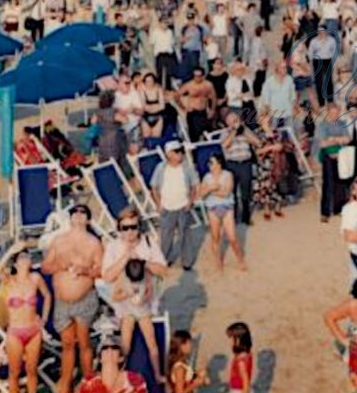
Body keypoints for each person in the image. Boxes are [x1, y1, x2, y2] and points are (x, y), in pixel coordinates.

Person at [41, 204, 104, 393]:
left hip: (84, 299)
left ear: (88, 219)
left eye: (82, 213)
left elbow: (101, 270)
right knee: (67, 343)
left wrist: (84, 271)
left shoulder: (94, 243)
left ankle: (88, 383)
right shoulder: (58, 241)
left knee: (84, 341)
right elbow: (45, 267)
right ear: (70, 218)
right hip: (62, 302)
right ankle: (66, 383)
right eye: (74, 213)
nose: (77, 216)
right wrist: (58, 265)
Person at [101, 210, 167, 380]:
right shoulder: (113, 246)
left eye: (133, 227)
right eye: (125, 228)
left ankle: (157, 373)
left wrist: (143, 263)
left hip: (147, 305)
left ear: (139, 227)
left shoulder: (148, 243)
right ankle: (121, 373)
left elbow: (163, 270)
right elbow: (107, 276)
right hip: (125, 307)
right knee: (125, 343)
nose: (129, 232)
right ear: (119, 229)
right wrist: (125, 258)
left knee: (151, 342)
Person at [0, 246, 52, 393]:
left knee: (32, 371)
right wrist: (12, 249)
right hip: (15, 332)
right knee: (14, 372)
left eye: (27, 256)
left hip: (34, 331)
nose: (25, 259)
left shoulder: (36, 278)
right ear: (15, 262)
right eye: (21, 257)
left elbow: (48, 295)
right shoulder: (9, 281)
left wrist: (43, 318)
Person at [150, 141, 200, 271]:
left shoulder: (187, 167)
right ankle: (164, 260)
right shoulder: (161, 168)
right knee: (166, 236)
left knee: (185, 235)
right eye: (177, 152)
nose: (180, 154)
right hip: (166, 206)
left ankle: (187, 262)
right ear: (169, 154)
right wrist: (158, 204)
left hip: (183, 205)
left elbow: (194, 185)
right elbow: (154, 186)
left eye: (181, 151)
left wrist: (190, 201)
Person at [200, 153, 247, 272]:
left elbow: (227, 192)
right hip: (213, 208)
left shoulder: (228, 175)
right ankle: (218, 262)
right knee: (215, 237)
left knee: (232, 237)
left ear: (219, 164)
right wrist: (211, 189)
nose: (209, 165)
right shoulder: (207, 177)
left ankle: (240, 259)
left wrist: (210, 190)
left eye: (212, 162)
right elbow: (200, 193)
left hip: (227, 207)